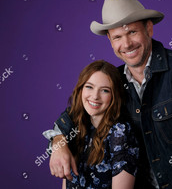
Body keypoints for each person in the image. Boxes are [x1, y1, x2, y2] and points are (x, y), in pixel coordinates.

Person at [45, 0, 172, 189]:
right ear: (110, 40)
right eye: (117, 37)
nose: (126, 44)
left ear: (148, 28)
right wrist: (59, 144)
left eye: (132, 32)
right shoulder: (114, 82)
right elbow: (72, 117)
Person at [45, 60, 139, 189]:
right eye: (89, 87)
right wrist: (58, 145)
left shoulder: (120, 132)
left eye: (105, 90)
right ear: (80, 89)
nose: (95, 96)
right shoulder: (75, 124)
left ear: (114, 95)